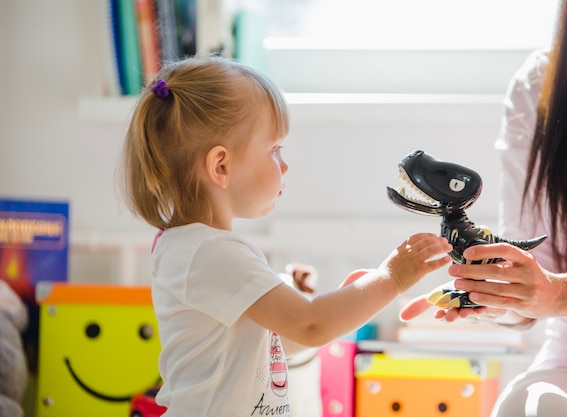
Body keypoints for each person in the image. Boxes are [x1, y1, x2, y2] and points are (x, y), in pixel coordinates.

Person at [118, 55, 453, 416]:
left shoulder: (195, 248)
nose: (285, 165)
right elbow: (311, 325)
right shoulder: (212, 252)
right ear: (221, 166)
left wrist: (349, 302)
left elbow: (276, 342)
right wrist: (393, 277)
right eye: (274, 150)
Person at [400, 1, 567, 416]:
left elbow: (552, 292)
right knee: (529, 407)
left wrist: (556, 293)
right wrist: (493, 294)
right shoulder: (540, 84)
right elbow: (533, 274)